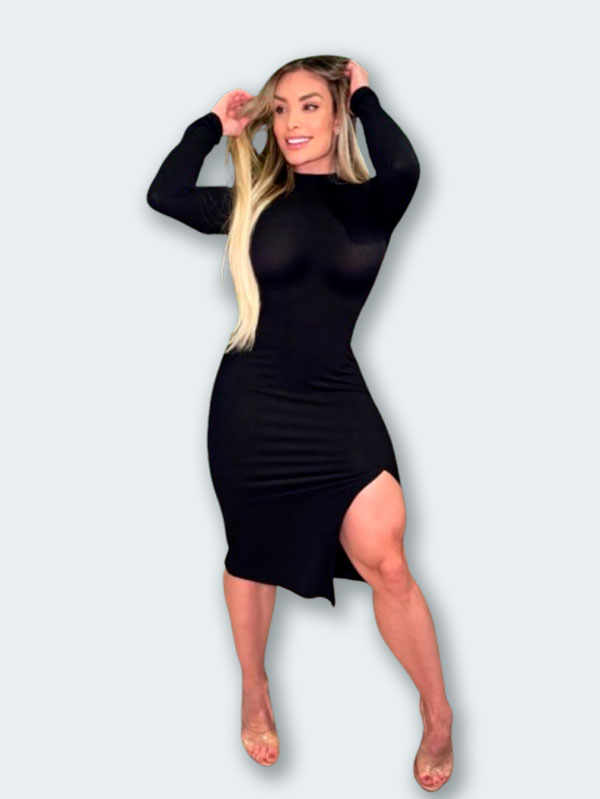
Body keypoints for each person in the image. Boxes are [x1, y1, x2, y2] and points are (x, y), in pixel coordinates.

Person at [146, 55, 454, 791]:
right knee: (251, 555)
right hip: (252, 404)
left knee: (387, 559)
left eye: (310, 105)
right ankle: (254, 690)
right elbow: (165, 194)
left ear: (338, 115)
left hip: (335, 399)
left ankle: (439, 711)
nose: (290, 123)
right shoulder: (254, 200)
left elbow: (406, 163)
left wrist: (367, 97)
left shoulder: (376, 201)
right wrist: (213, 127)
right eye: (279, 108)